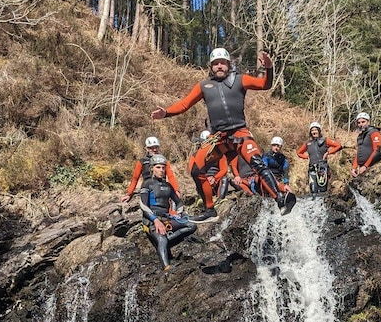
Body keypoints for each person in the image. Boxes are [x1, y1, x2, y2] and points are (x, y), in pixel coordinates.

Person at [151, 47, 295, 216]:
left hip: (239, 133)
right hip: (218, 137)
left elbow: (265, 84)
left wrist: (269, 68)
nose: (219, 66)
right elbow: (184, 104)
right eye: (216, 64)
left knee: (257, 163)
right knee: (197, 170)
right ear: (211, 67)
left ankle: (279, 199)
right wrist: (166, 112)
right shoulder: (204, 86)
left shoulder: (240, 80)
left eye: (223, 63)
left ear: (229, 64)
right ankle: (210, 209)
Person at [127, 154, 196, 271]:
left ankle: (167, 240)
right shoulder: (147, 184)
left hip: (166, 218)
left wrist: (177, 214)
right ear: (152, 168)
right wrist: (156, 220)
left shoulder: (168, 186)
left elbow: (179, 203)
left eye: (163, 168)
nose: (161, 170)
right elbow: (143, 206)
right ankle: (166, 267)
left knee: (191, 225)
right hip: (150, 220)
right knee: (162, 239)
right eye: (158, 167)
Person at [121, 136, 181, 202]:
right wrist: (129, 194)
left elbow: (171, 176)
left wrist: (176, 190)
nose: (154, 150)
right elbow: (135, 178)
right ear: (147, 149)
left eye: (156, 147)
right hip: (147, 188)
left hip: (161, 187)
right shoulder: (142, 162)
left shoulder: (163, 160)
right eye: (151, 148)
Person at [188, 130, 229, 221]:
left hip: (217, 181)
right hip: (204, 180)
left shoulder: (220, 154)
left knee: (225, 179)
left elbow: (224, 170)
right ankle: (204, 201)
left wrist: (215, 178)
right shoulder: (195, 155)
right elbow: (192, 171)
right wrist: (206, 179)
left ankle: (219, 199)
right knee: (199, 181)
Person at [296, 122, 342, 194]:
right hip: (312, 168)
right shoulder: (308, 143)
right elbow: (299, 152)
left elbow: (338, 146)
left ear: (319, 131)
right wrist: (306, 156)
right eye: (312, 130)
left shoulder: (325, 140)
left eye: (315, 130)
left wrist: (328, 153)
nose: (314, 132)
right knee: (313, 189)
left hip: (322, 167)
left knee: (322, 190)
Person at [351, 112, 381, 177]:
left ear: (368, 122)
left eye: (363, 122)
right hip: (362, 168)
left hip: (374, 167)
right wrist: (354, 167)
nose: (361, 124)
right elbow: (359, 152)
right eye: (359, 123)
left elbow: (377, 151)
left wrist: (365, 166)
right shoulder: (360, 136)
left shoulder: (374, 132)